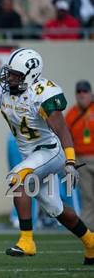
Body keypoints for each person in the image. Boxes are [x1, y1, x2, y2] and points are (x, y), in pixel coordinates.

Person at [0, 48, 94, 265]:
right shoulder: (4, 86)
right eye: (10, 72)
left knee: (17, 179)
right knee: (57, 210)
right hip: (31, 156)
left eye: (16, 74)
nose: (10, 78)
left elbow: (62, 129)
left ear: (31, 75)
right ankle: (91, 243)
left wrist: (70, 162)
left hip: (50, 151)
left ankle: (27, 241)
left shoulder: (42, 93)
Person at [65, 80, 94, 230]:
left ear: (90, 93)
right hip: (81, 159)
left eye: (85, 91)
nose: (82, 95)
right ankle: (88, 229)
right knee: (87, 196)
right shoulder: (72, 114)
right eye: (79, 92)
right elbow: (65, 135)